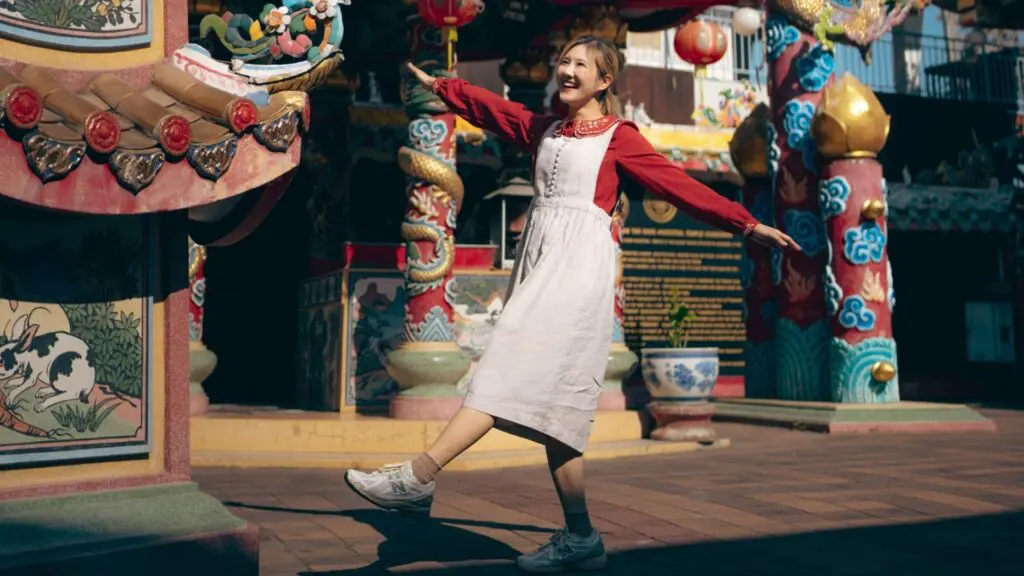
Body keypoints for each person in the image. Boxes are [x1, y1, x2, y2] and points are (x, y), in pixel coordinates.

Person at [344, 35, 801, 573]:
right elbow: (497, 111)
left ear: (605, 81)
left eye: (580, 64)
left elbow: (676, 184)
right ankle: (580, 536)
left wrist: (745, 224)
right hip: (539, 260)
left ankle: (419, 476)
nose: (566, 70)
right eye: (563, 61)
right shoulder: (547, 129)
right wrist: (443, 86)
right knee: (556, 412)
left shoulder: (619, 137)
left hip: (578, 268)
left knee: (506, 364)